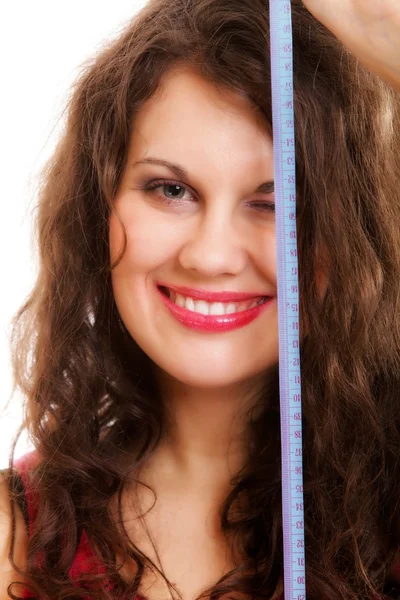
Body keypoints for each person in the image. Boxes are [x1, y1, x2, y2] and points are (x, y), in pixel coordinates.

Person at [1, 0, 400, 598]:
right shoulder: (20, 536)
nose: (211, 256)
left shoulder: (386, 522)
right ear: (98, 212)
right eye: (171, 189)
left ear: (354, 234)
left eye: (275, 203)